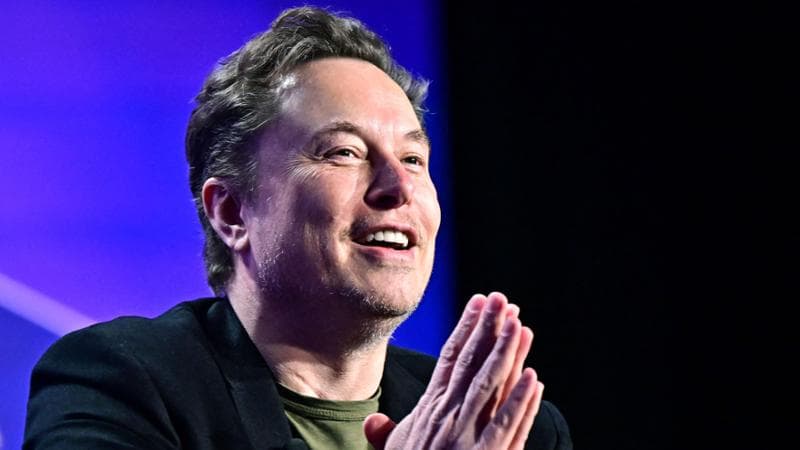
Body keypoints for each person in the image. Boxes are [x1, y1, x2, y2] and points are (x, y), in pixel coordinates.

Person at [24, 6, 572, 450]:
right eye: (343, 152)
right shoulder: (122, 381)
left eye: (413, 159)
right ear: (232, 212)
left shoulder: (506, 427)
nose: (398, 187)